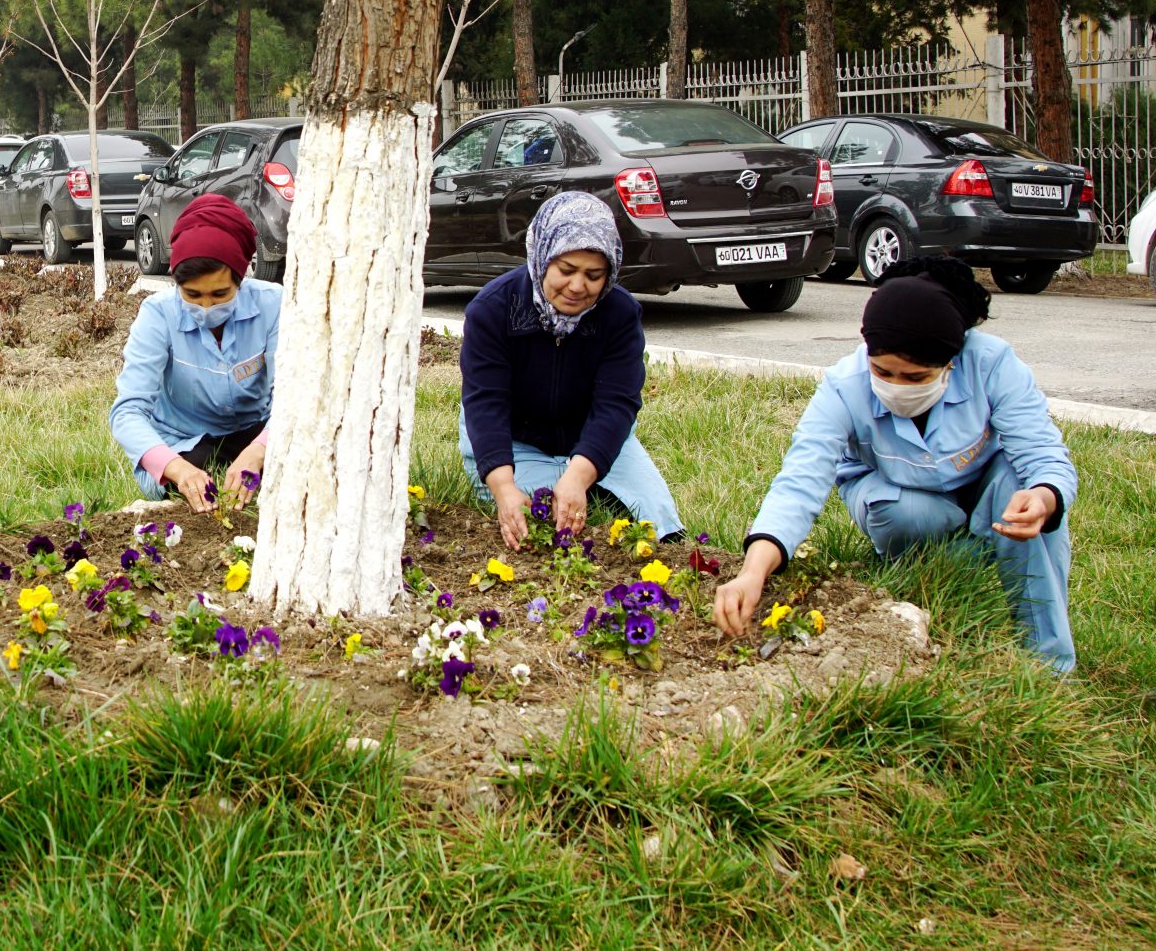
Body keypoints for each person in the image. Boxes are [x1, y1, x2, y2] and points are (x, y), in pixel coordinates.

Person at [715, 258, 1076, 672]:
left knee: (1021, 496)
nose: (897, 387)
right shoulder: (843, 385)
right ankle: (949, 566)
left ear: (951, 362)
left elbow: (1043, 454)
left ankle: (1049, 664)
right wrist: (753, 571)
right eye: (883, 372)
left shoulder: (992, 363)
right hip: (894, 492)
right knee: (905, 516)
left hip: (986, 486)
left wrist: (1045, 496)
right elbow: (800, 481)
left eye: (917, 377)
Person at [458, 191, 682, 548]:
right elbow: (486, 402)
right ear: (543, 257)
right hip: (516, 440)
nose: (578, 287)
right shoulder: (492, 309)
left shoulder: (620, 314)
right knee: (537, 517)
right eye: (566, 270)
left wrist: (579, 475)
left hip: (591, 436)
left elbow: (616, 403)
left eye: (594, 275)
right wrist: (503, 488)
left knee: (656, 525)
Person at [110, 194, 276, 514]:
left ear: (241, 280)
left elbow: (295, 399)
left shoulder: (273, 306)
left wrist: (258, 452)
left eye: (220, 294)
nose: (206, 307)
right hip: (188, 442)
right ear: (176, 284)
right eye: (193, 295)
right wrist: (178, 469)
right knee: (199, 476)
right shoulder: (158, 314)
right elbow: (128, 412)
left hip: (259, 431)